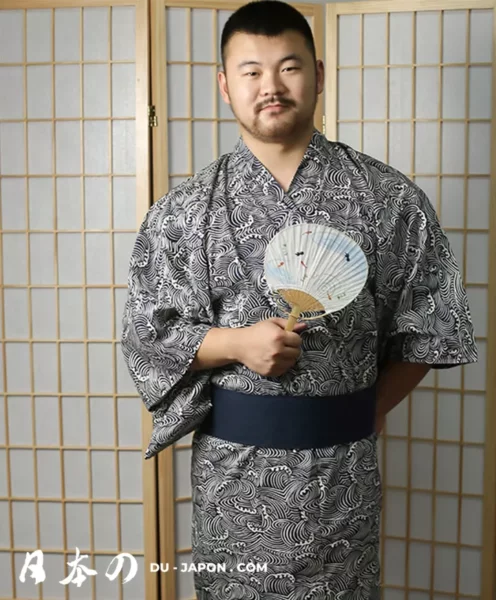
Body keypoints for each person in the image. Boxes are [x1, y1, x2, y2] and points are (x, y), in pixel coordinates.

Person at [121, 1, 478, 597]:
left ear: (318, 73)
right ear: (224, 86)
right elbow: (147, 334)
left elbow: (433, 327)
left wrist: (367, 410)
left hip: (344, 474)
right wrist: (237, 343)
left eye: (289, 68)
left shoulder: (387, 198)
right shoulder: (185, 211)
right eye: (251, 71)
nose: (271, 86)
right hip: (234, 475)